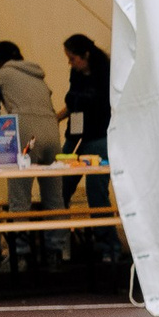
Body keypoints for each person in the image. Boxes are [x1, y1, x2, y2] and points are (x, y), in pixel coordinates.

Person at [0, 40, 62, 212]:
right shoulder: (38, 77)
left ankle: (20, 239)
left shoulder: (0, 75)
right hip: (52, 130)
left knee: (20, 197)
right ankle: (60, 240)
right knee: (54, 198)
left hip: (25, 133)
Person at [58, 33, 111, 212]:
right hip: (75, 135)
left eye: (72, 58)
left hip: (97, 137)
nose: (70, 63)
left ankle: (105, 238)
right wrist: (57, 118)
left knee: (96, 191)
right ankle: (59, 235)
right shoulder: (76, 74)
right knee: (61, 186)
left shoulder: (107, 73)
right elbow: (72, 104)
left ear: (86, 55)